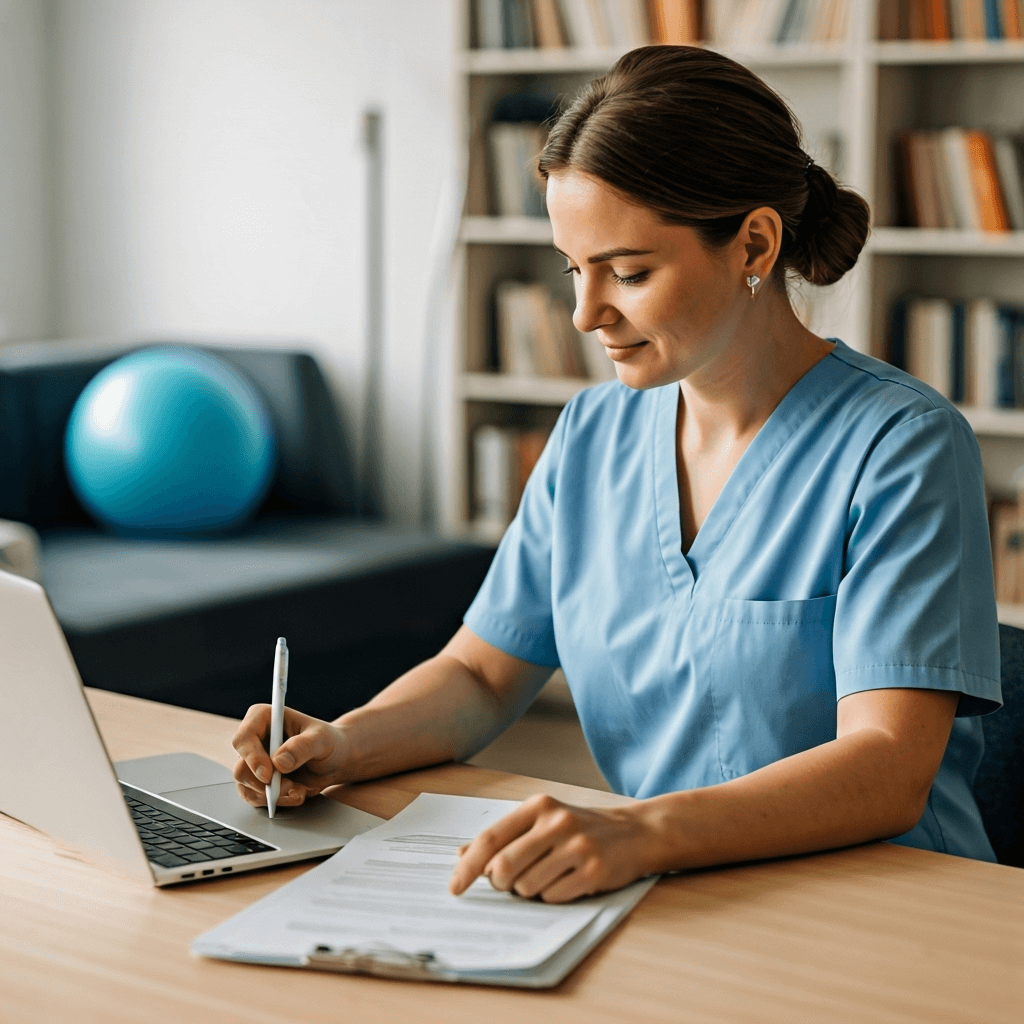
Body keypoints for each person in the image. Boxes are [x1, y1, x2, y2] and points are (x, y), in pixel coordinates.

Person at [232, 46, 1003, 903]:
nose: (584, 313)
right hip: (674, 885)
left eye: (628, 272)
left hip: (891, 903)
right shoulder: (590, 435)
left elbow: (887, 765)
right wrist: (344, 744)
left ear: (754, 243)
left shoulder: (902, 445)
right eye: (574, 268)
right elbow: (481, 677)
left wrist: (641, 832)